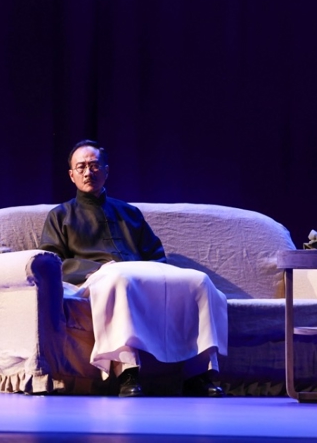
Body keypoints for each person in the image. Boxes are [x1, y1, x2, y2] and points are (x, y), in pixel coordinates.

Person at [40, 140, 228, 397]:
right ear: (71, 175)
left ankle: (200, 373)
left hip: (137, 274)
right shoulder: (60, 215)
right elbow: (52, 262)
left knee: (200, 281)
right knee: (120, 277)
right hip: (96, 277)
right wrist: (96, 268)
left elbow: (156, 255)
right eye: (81, 167)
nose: (88, 172)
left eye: (94, 166)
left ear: (106, 170)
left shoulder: (129, 212)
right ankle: (127, 373)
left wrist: (154, 275)